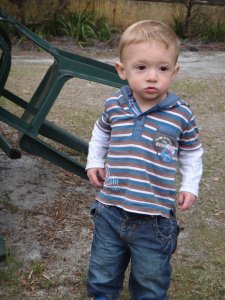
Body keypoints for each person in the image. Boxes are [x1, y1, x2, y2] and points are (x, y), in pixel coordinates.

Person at [86, 20, 203, 300]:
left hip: (154, 218)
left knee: (150, 281)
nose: (152, 76)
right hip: (110, 210)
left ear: (174, 72)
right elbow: (100, 133)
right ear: (122, 70)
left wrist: (190, 185)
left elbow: (191, 151)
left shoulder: (180, 114)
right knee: (102, 274)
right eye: (141, 67)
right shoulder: (115, 104)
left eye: (162, 68)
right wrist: (93, 161)